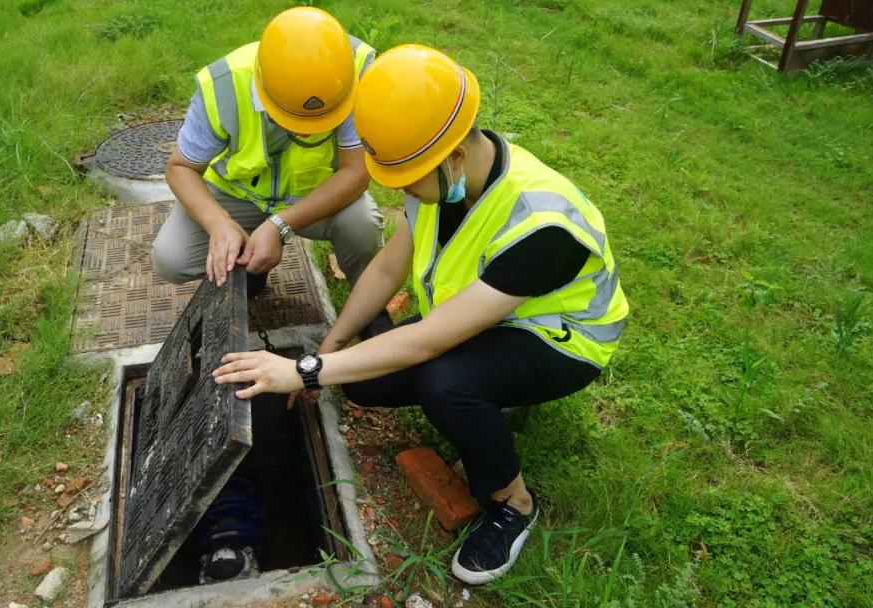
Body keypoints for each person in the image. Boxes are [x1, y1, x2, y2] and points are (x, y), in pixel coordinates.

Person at [212, 45, 628, 585]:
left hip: (562, 340)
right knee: (364, 383)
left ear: (453, 155)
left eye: (407, 177)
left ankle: (513, 504)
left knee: (445, 381)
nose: (403, 190)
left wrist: (302, 371)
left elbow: (431, 341)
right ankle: (484, 398)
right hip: (484, 319)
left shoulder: (542, 224)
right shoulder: (443, 178)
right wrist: (331, 347)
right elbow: (387, 270)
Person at [152, 6, 385, 303]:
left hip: (314, 195)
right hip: (237, 194)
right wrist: (218, 223)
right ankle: (250, 264)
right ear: (262, 91)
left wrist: (280, 225)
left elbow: (356, 172)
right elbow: (180, 168)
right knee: (171, 257)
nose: (306, 132)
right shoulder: (224, 85)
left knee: (361, 225)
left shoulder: (356, 72)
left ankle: (367, 303)